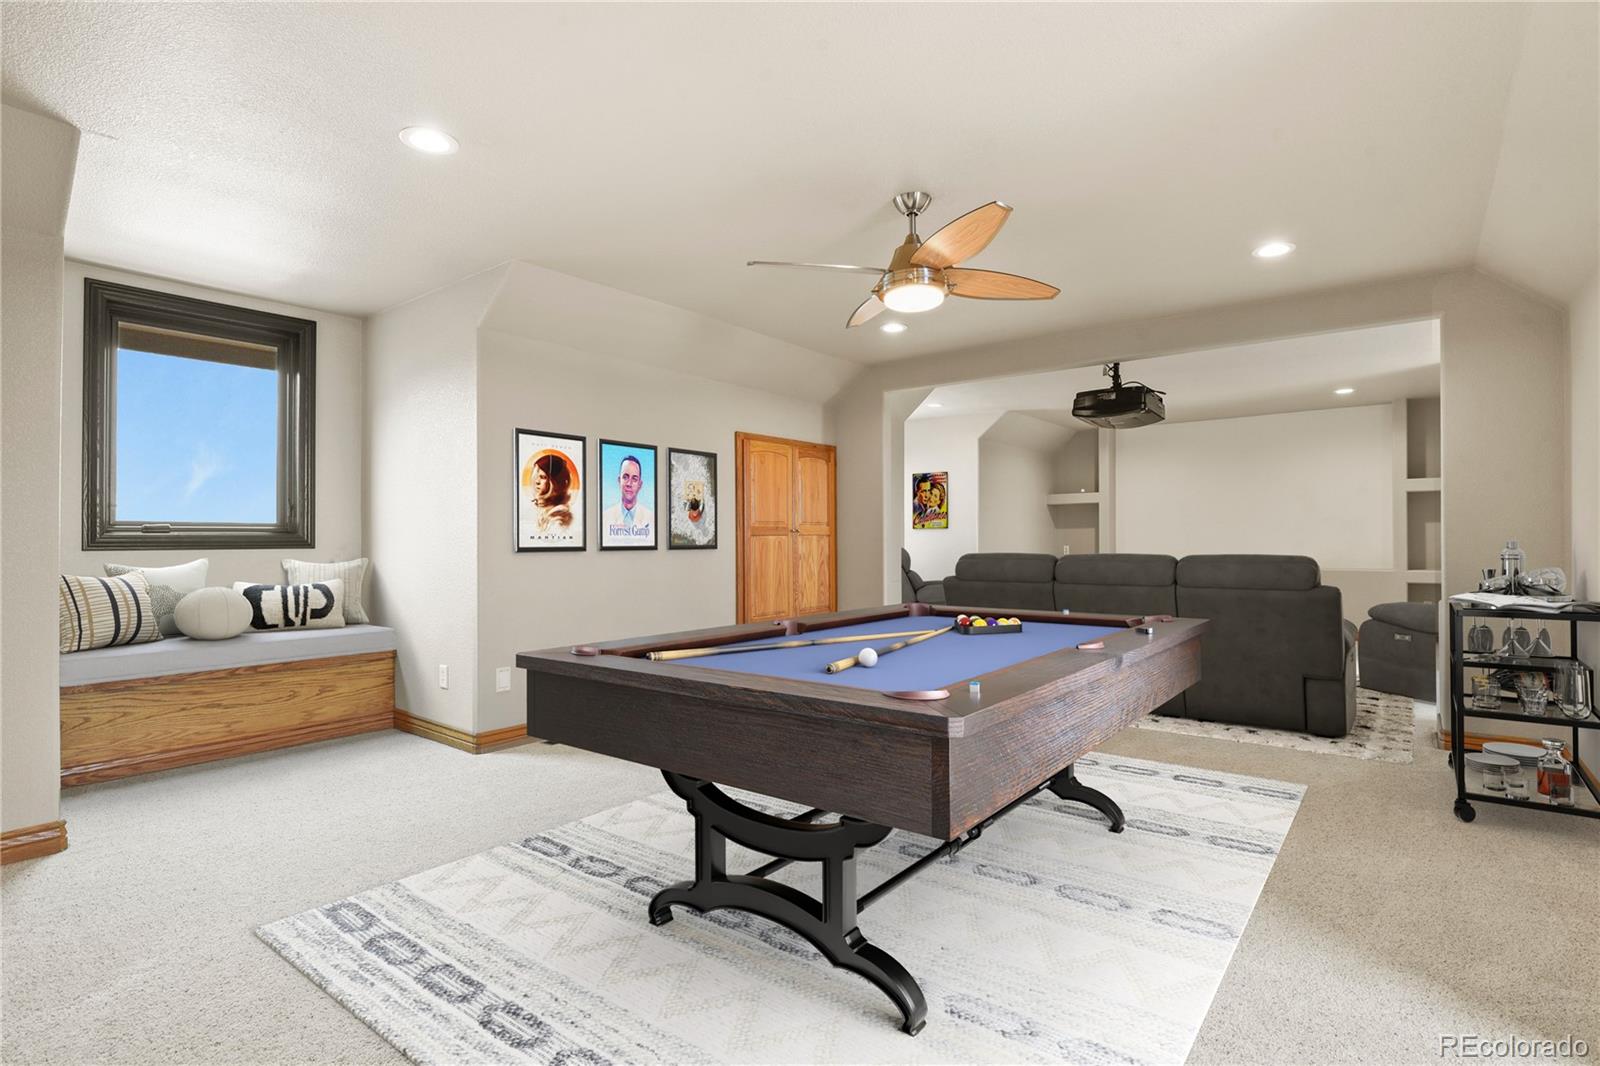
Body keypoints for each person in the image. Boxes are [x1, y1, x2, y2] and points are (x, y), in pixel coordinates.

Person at [602, 453, 653, 539]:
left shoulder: (651, 519)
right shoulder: (605, 518)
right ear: (619, 481)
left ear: (640, 485)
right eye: (625, 477)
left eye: (634, 479)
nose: (629, 484)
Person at [528, 453, 574, 531]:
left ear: (556, 483)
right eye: (536, 476)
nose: (537, 481)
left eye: (543, 477)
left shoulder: (558, 518)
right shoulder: (541, 507)